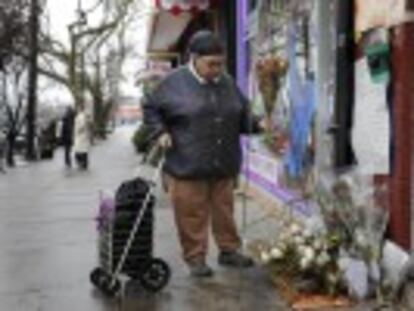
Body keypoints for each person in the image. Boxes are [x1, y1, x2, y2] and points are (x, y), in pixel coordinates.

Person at [143, 30, 263, 278]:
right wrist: (159, 131)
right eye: (211, 64)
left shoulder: (227, 82)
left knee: (224, 211)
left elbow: (242, 114)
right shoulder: (173, 82)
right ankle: (195, 257)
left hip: (223, 162)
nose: (217, 69)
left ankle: (229, 251)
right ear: (194, 58)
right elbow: (151, 108)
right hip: (187, 163)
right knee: (191, 214)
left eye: (220, 64)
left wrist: (259, 125)